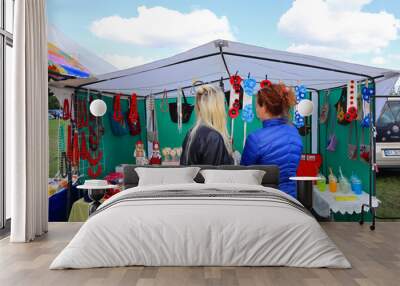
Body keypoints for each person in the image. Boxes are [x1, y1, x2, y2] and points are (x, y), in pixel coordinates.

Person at [241, 83, 302, 198]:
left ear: (264, 106)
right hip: (293, 198)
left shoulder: (255, 138)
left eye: (257, 105)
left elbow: (244, 175)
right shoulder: (294, 132)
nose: (256, 109)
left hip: (268, 199)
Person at [180, 84, 233, 165]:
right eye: (223, 103)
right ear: (218, 107)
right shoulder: (213, 137)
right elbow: (214, 175)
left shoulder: (191, 133)